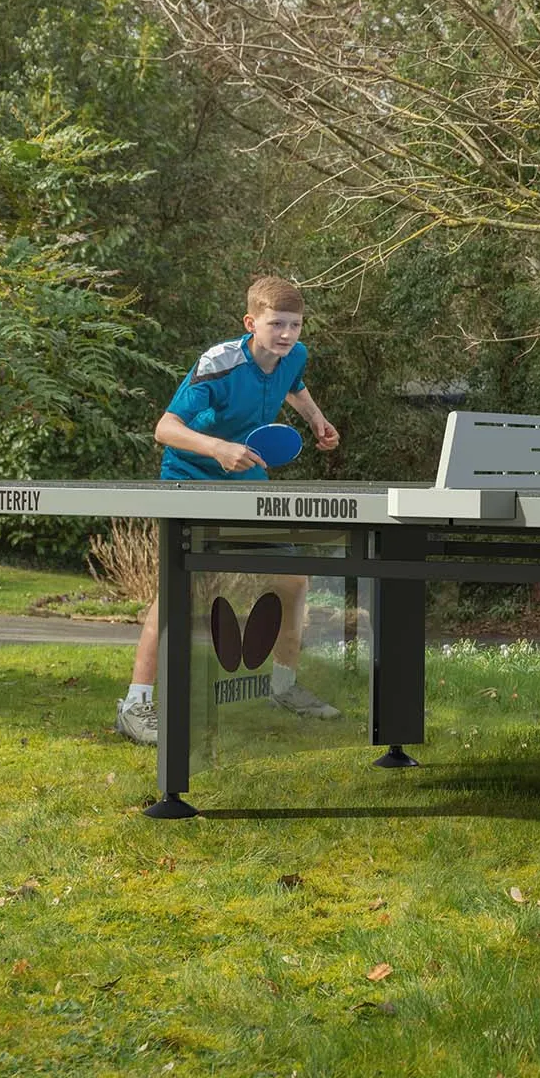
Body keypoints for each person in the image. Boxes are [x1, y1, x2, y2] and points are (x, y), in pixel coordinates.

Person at [116, 275, 343, 746]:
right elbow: (165, 427)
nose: (286, 334)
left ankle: (283, 687)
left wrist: (316, 419)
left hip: (245, 480)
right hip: (189, 478)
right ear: (250, 322)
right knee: (176, 589)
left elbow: (294, 386)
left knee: (292, 579)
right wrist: (217, 447)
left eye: (295, 325)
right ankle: (136, 706)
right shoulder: (218, 364)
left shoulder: (293, 355)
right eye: (276, 324)